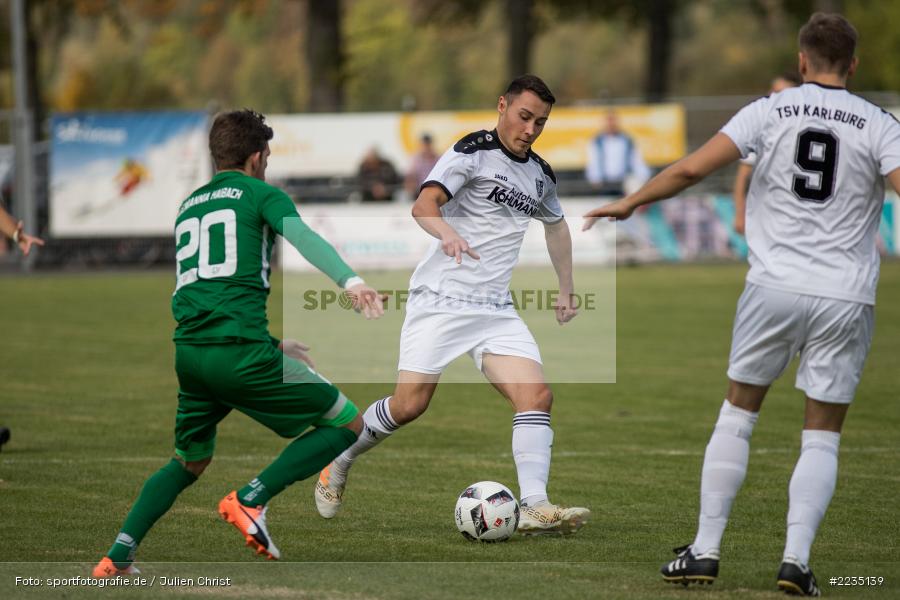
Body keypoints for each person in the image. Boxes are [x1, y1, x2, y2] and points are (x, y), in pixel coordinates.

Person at [584, 13, 900, 596]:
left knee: (739, 413)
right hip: (845, 294)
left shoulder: (769, 110)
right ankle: (795, 564)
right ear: (852, 66)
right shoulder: (880, 123)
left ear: (802, 61)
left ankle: (705, 551)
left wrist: (630, 203)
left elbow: (688, 169)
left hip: (772, 286)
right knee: (822, 433)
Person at [92, 109, 385, 577]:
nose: (266, 164)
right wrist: (350, 282)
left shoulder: (189, 205)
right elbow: (303, 235)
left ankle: (117, 556)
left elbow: (211, 289)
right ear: (255, 157)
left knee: (189, 460)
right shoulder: (261, 194)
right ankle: (251, 498)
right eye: (266, 156)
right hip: (241, 353)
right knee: (348, 424)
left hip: (191, 354)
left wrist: (272, 342)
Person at [314, 75, 590, 535]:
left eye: (540, 122)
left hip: (495, 310)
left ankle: (536, 506)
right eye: (524, 116)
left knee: (537, 395)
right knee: (409, 406)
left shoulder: (540, 174)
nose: (530, 129)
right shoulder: (471, 152)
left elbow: (557, 226)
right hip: (440, 301)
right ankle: (338, 460)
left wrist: (566, 287)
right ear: (502, 105)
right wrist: (448, 233)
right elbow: (424, 205)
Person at [731, 72, 801, 234]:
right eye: (772, 91)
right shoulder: (763, 130)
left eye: (780, 93)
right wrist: (740, 214)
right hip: (770, 218)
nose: (773, 96)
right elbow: (742, 178)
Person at [585, 110, 651, 196]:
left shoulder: (627, 140)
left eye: (613, 121)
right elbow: (593, 161)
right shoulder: (597, 141)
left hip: (624, 182)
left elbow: (636, 160)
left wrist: (643, 177)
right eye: (608, 121)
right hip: (604, 183)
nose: (611, 124)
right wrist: (595, 178)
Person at [404, 133, 439, 198]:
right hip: (418, 192)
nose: (426, 148)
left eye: (427, 145)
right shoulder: (415, 160)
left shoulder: (438, 159)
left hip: (435, 190)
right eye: (424, 145)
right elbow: (409, 178)